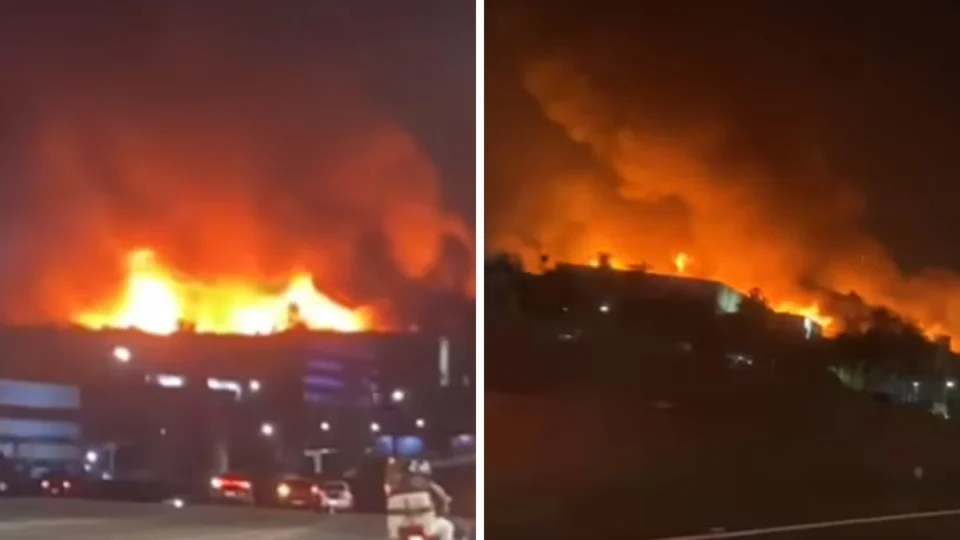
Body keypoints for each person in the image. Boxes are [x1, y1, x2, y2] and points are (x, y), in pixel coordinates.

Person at [385, 459, 455, 540]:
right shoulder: (427, 485)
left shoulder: (394, 490)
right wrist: (444, 504)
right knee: (447, 527)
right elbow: (441, 496)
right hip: (425, 525)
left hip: (399, 527)